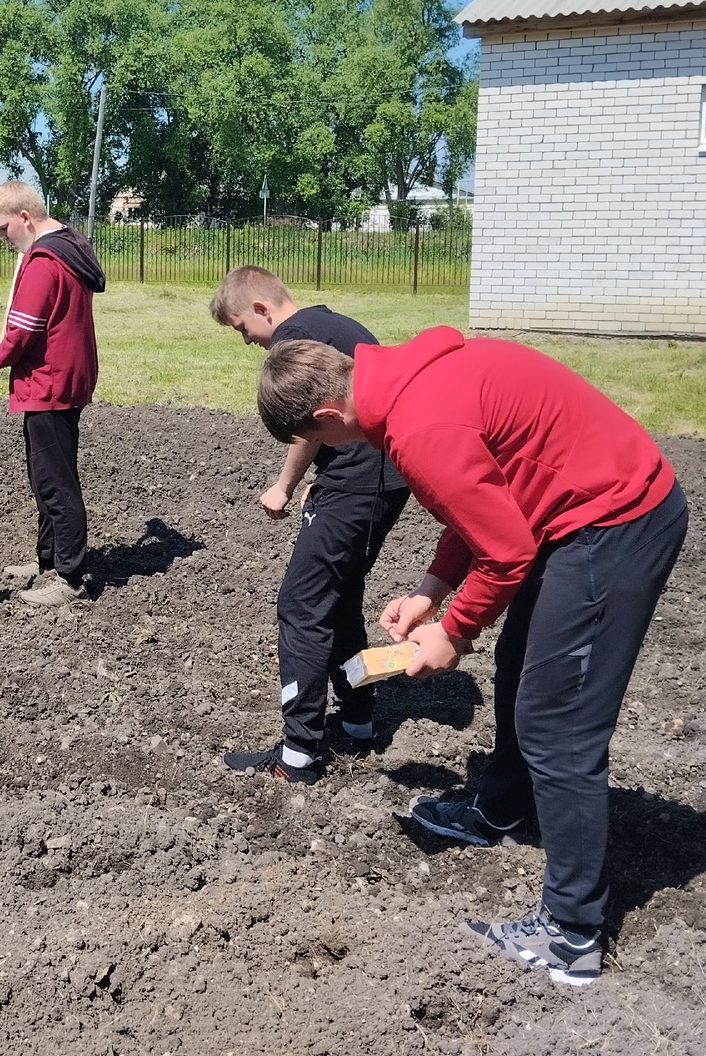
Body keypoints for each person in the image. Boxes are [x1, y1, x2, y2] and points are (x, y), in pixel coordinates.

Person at [257, 327, 687, 986]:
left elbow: (508, 550)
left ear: (324, 419)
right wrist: (431, 591)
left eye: (320, 446)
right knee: (522, 670)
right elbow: (486, 503)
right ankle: (501, 810)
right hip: (574, 518)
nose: (325, 456)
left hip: (614, 522)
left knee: (560, 725)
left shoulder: (417, 426)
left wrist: (453, 633)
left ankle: (571, 935)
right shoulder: (410, 377)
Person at [209, 267, 410, 783]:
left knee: (300, 603)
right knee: (338, 596)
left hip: (357, 480)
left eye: (241, 329)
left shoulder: (295, 338)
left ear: (260, 308)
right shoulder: (332, 322)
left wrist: (283, 485)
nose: (249, 342)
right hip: (384, 477)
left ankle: (298, 754)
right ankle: (359, 722)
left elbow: (309, 421)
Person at [0, 180, 105, 608]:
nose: (2, 237)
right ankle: (48, 558)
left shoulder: (43, 261)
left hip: (49, 382)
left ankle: (70, 576)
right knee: (46, 474)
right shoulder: (71, 246)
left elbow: (23, 331)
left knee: (55, 481)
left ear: (24, 217)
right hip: (66, 376)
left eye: (3, 228)